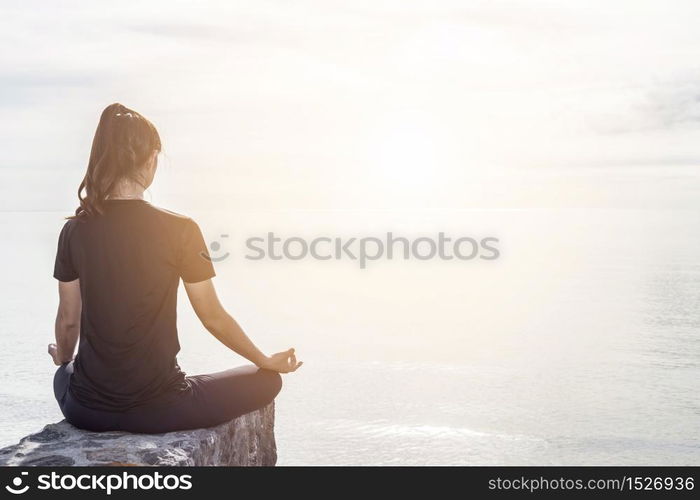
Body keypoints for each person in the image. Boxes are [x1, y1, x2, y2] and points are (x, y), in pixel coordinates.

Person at [48, 103, 301, 434]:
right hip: (160, 410)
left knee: (62, 376)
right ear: (150, 158)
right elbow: (213, 317)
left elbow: (68, 321)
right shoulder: (181, 229)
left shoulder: (74, 231)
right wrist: (264, 360)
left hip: (86, 411)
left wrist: (62, 357)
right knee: (268, 382)